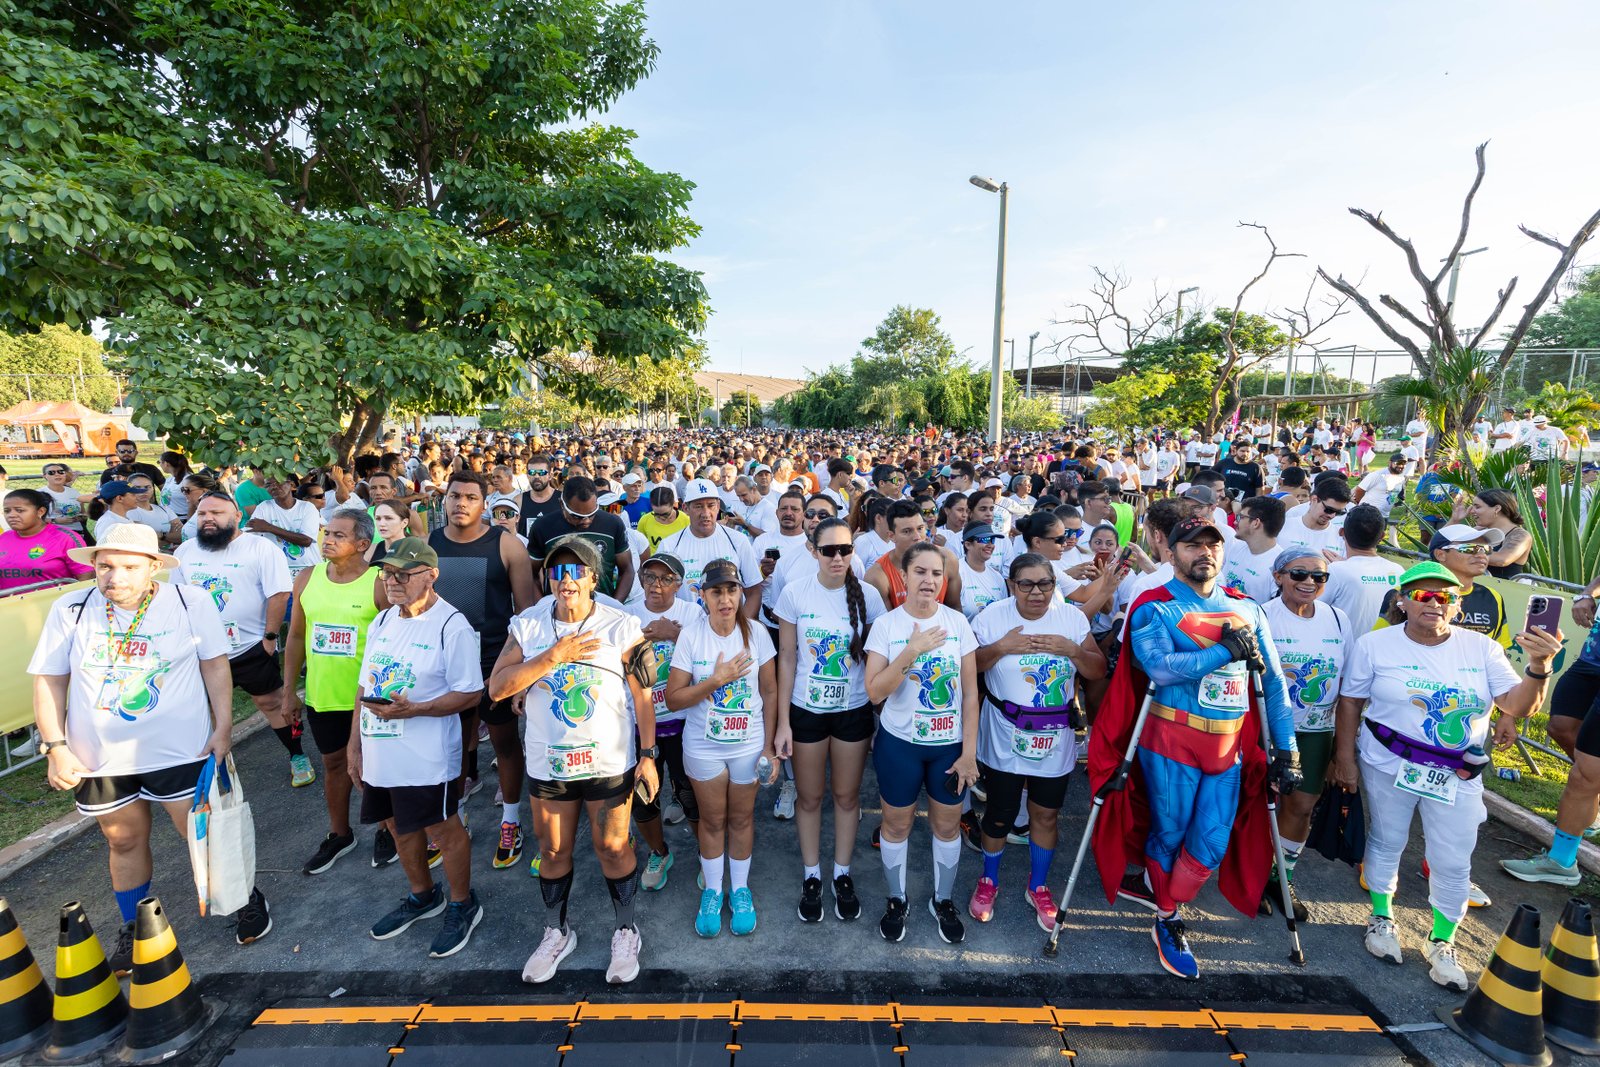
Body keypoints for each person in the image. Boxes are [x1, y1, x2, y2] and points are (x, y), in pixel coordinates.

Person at [28, 522, 272, 975]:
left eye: (126, 567)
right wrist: (56, 746)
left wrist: (224, 728)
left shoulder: (188, 601)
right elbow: (50, 680)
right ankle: (133, 925)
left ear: (153, 568)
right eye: (104, 566)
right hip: (98, 757)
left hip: (181, 749)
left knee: (200, 835)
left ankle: (243, 899)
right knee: (122, 840)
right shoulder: (71, 608)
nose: (112, 577)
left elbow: (215, 667)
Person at [1332, 562, 1560, 991]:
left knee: (1453, 859)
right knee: (1386, 839)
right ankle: (1381, 917)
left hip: (1457, 772)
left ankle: (1442, 940)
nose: (1434, 603)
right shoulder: (1374, 645)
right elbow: (1349, 702)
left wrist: (1539, 665)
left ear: (1457, 604)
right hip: (1388, 762)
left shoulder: (1482, 648)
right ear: (1401, 601)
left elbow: (1518, 706)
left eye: (1445, 597)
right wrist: (1344, 758)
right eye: (1422, 595)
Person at [1090, 516, 1299, 980]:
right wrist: (1225, 651)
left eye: (1213, 545)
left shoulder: (1248, 609)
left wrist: (1288, 751)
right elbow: (1160, 668)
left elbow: (1274, 685)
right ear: (1171, 553)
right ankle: (1167, 915)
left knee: (1210, 845)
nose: (1204, 552)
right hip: (1169, 741)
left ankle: (1165, 894)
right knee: (1169, 832)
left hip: (1227, 745)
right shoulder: (1154, 606)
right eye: (1192, 545)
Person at [489, 535, 659, 984]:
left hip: (609, 762)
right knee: (552, 849)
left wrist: (648, 755)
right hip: (550, 764)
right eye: (557, 571)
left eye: (576, 571)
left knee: (612, 847)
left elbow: (644, 696)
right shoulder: (528, 625)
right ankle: (556, 932)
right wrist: (551, 657)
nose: (566, 580)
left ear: (592, 577)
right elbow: (498, 688)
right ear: (547, 576)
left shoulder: (621, 624)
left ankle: (626, 930)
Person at [348, 538, 485, 959]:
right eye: (387, 573)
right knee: (395, 824)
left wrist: (418, 710)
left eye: (402, 574)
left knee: (443, 830)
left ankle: (463, 903)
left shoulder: (451, 625)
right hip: (380, 752)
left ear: (431, 575)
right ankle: (423, 895)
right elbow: (364, 685)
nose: (392, 581)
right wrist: (355, 745)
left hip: (427, 757)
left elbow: (470, 694)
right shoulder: (384, 620)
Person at [968, 553, 1105, 930]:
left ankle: (1038, 885)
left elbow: (1097, 670)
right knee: (998, 814)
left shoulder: (1071, 619)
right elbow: (970, 667)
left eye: (1045, 583)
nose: (1036, 593)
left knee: (1045, 814)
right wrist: (1000, 648)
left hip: (1054, 737)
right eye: (1026, 584)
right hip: (1004, 736)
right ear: (1012, 585)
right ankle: (988, 881)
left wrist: (1073, 651)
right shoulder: (992, 617)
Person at [863, 542, 980, 945]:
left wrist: (968, 753)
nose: (929, 581)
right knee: (896, 826)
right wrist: (911, 651)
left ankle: (942, 900)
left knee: (947, 828)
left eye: (936, 573)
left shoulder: (958, 624)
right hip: (901, 745)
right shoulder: (888, 626)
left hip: (948, 748)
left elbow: (969, 695)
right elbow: (875, 693)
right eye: (920, 572)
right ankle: (897, 899)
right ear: (905, 576)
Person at [773, 518, 886, 923]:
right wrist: (782, 722)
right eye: (829, 550)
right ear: (812, 551)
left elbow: (878, 659)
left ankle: (841, 874)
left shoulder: (869, 596)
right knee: (808, 798)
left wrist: (878, 715)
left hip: (852, 711)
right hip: (806, 711)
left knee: (846, 798)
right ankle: (811, 875)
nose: (838, 557)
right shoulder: (794, 593)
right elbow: (787, 657)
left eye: (845, 550)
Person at [666, 558, 779, 938]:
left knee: (742, 820)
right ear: (702, 596)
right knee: (713, 821)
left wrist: (770, 747)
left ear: (741, 592)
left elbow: (770, 691)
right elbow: (675, 699)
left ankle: (741, 890)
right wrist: (715, 680)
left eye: (732, 589)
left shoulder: (758, 634)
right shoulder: (691, 636)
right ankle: (713, 891)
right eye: (716, 591)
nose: (725, 598)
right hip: (704, 746)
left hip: (748, 744)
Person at [429, 470, 537, 864]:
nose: (460, 503)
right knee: (450, 745)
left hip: (494, 660)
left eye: (470, 497)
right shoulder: (429, 544)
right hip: (445, 662)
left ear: (484, 503)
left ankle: (511, 820)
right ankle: (455, 817)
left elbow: (526, 614)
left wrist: (516, 669)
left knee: (505, 743)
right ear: (444, 500)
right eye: (454, 496)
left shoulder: (507, 545)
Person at [284, 508, 391, 874]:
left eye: (338, 535)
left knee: (375, 765)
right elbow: (296, 635)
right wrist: (289, 691)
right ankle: (339, 833)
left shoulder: (379, 582)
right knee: (334, 765)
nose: (327, 540)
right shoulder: (307, 578)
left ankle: (385, 828)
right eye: (326, 533)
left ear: (363, 544)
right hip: (323, 695)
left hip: (369, 699)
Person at [173, 492, 304, 785]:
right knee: (204, 712)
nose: (207, 519)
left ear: (236, 517)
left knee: (271, 703)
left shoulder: (260, 548)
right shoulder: (185, 552)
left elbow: (279, 594)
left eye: (217, 513)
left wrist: (269, 638)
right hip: (202, 653)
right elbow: (176, 599)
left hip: (248, 647)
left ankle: (297, 754)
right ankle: (216, 767)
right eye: (202, 513)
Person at [1259, 550, 1349, 920]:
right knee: (1255, 805)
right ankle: (1249, 874)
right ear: (1279, 575)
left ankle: (1281, 878)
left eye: (1319, 577)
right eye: (1299, 574)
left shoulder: (1338, 619)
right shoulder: (1262, 615)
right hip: (1267, 729)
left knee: (1302, 805)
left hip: (1316, 731)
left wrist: (1344, 750)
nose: (1309, 582)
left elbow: (1348, 687)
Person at [1505, 575, 1600, 888]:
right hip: (1592, 655)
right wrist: (1586, 594)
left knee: (1584, 775)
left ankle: (1562, 861)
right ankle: (1591, 800)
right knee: (1560, 726)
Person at [625, 552, 702, 890]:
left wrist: (674, 634)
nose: (657, 585)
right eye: (650, 577)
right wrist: (648, 634)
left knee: (690, 793)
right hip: (642, 725)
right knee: (644, 797)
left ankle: (707, 852)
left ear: (679, 584)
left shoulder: (692, 614)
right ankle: (659, 851)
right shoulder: (627, 616)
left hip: (684, 721)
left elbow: (707, 656)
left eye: (666, 578)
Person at [654, 479, 762, 616]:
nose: (706, 513)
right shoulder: (669, 545)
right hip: (686, 631)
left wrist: (741, 629)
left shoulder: (738, 541)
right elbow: (660, 595)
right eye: (698, 506)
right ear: (685, 509)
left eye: (711, 505)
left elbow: (754, 591)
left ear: (718, 506)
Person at [1323, 505, 1404, 635]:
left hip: (1346, 652)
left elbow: (1312, 609)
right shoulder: (1398, 571)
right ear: (1382, 536)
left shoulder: (1336, 571)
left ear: (1341, 532)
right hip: (1385, 651)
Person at [0, 488, 91, 592]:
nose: (11, 515)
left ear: (41, 511)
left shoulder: (65, 538)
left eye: (20, 510)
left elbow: (86, 578)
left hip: (52, 605)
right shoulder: (3, 538)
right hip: (8, 606)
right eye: (7, 511)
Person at [245, 473, 324, 578]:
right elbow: (249, 534)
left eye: (278, 482)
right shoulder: (264, 507)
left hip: (309, 571)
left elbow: (306, 540)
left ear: (292, 485)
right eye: (268, 485)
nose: (273, 486)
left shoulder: (307, 508)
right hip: (280, 572)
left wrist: (268, 527)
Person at [1454, 488, 1531, 579]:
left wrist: (1461, 548)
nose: (1471, 511)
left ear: (1497, 509)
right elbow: (1440, 543)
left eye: (1477, 507)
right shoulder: (1478, 530)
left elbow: (1502, 560)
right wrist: (1455, 519)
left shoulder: (1520, 535)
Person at [1221, 496, 1284, 603]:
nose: (1235, 522)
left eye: (1240, 517)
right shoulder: (1234, 547)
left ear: (1256, 523)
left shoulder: (1280, 564)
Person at [1278, 479, 1350, 561]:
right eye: (1329, 509)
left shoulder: (1341, 538)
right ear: (1314, 499)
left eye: (1339, 512)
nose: (1332, 516)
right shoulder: (1282, 527)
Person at [957, 522, 1006, 618]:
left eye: (992, 540)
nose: (990, 545)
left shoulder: (998, 578)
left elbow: (1003, 614)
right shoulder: (956, 572)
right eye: (985, 539)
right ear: (968, 544)